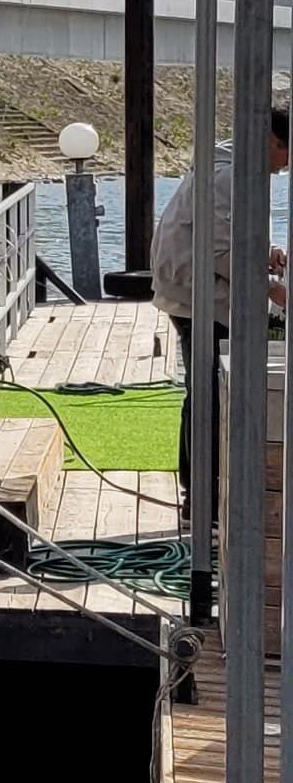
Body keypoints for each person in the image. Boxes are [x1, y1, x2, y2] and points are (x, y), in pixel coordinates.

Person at [155, 99, 290, 583]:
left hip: (201, 292)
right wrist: (271, 288)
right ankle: (201, 501)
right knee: (208, 394)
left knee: (207, 392)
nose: (287, 165)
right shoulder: (227, 175)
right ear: (273, 142)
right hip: (197, 297)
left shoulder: (234, 165)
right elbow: (217, 251)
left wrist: (264, 252)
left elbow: (234, 236)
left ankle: (206, 495)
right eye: (287, 153)